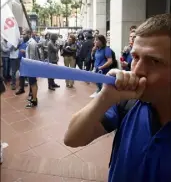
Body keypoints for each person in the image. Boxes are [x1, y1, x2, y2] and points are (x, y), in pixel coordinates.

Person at [64, 14, 171, 182]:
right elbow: (72, 138)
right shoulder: (128, 102)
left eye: (154, 61)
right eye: (135, 57)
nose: (137, 70)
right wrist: (105, 97)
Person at [25, 29, 40, 108]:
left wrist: (29, 68)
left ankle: (34, 100)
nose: (23, 35)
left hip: (31, 66)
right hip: (32, 66)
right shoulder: (31, 42)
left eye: (24, 34)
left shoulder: (32, 43)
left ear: (29, 34)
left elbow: (32, 57)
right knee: (33, 83)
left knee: (33, 83)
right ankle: (34, 98)